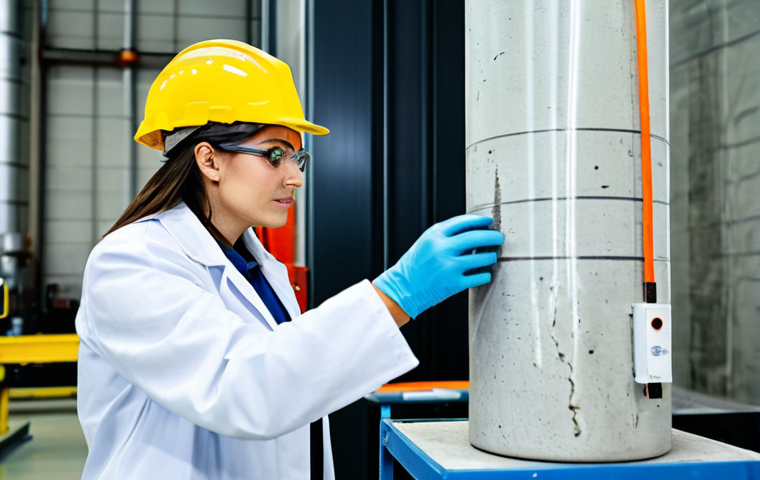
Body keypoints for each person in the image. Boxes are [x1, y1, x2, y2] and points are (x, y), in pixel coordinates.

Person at [75, 39, 504, 480]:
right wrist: (396, 295)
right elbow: (245, 389)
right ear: (209, 160)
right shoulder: (130, 262)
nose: (296, 176)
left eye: (298, 157)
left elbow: (293, 389)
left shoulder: (258, 267)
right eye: (275, 154)